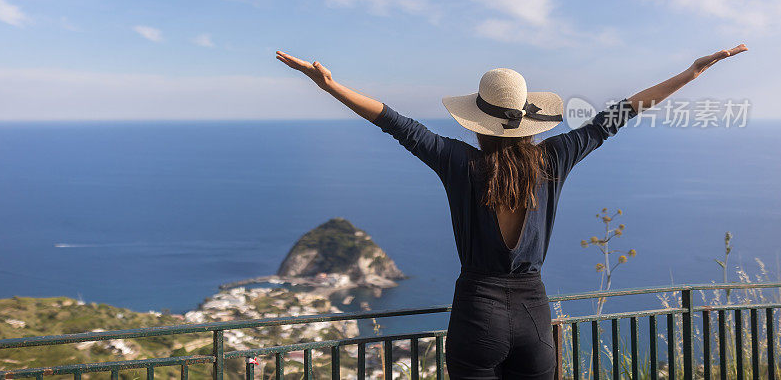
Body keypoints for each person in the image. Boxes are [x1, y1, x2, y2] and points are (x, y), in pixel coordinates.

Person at [275, 44, 748, 379]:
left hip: (476, 315)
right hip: (533, 317)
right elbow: (616, 116)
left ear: (477, 123)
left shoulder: (460, 162)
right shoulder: (554, 158)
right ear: (529, 121)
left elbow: (395, 122)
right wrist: (690, 74)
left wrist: (329, 86)